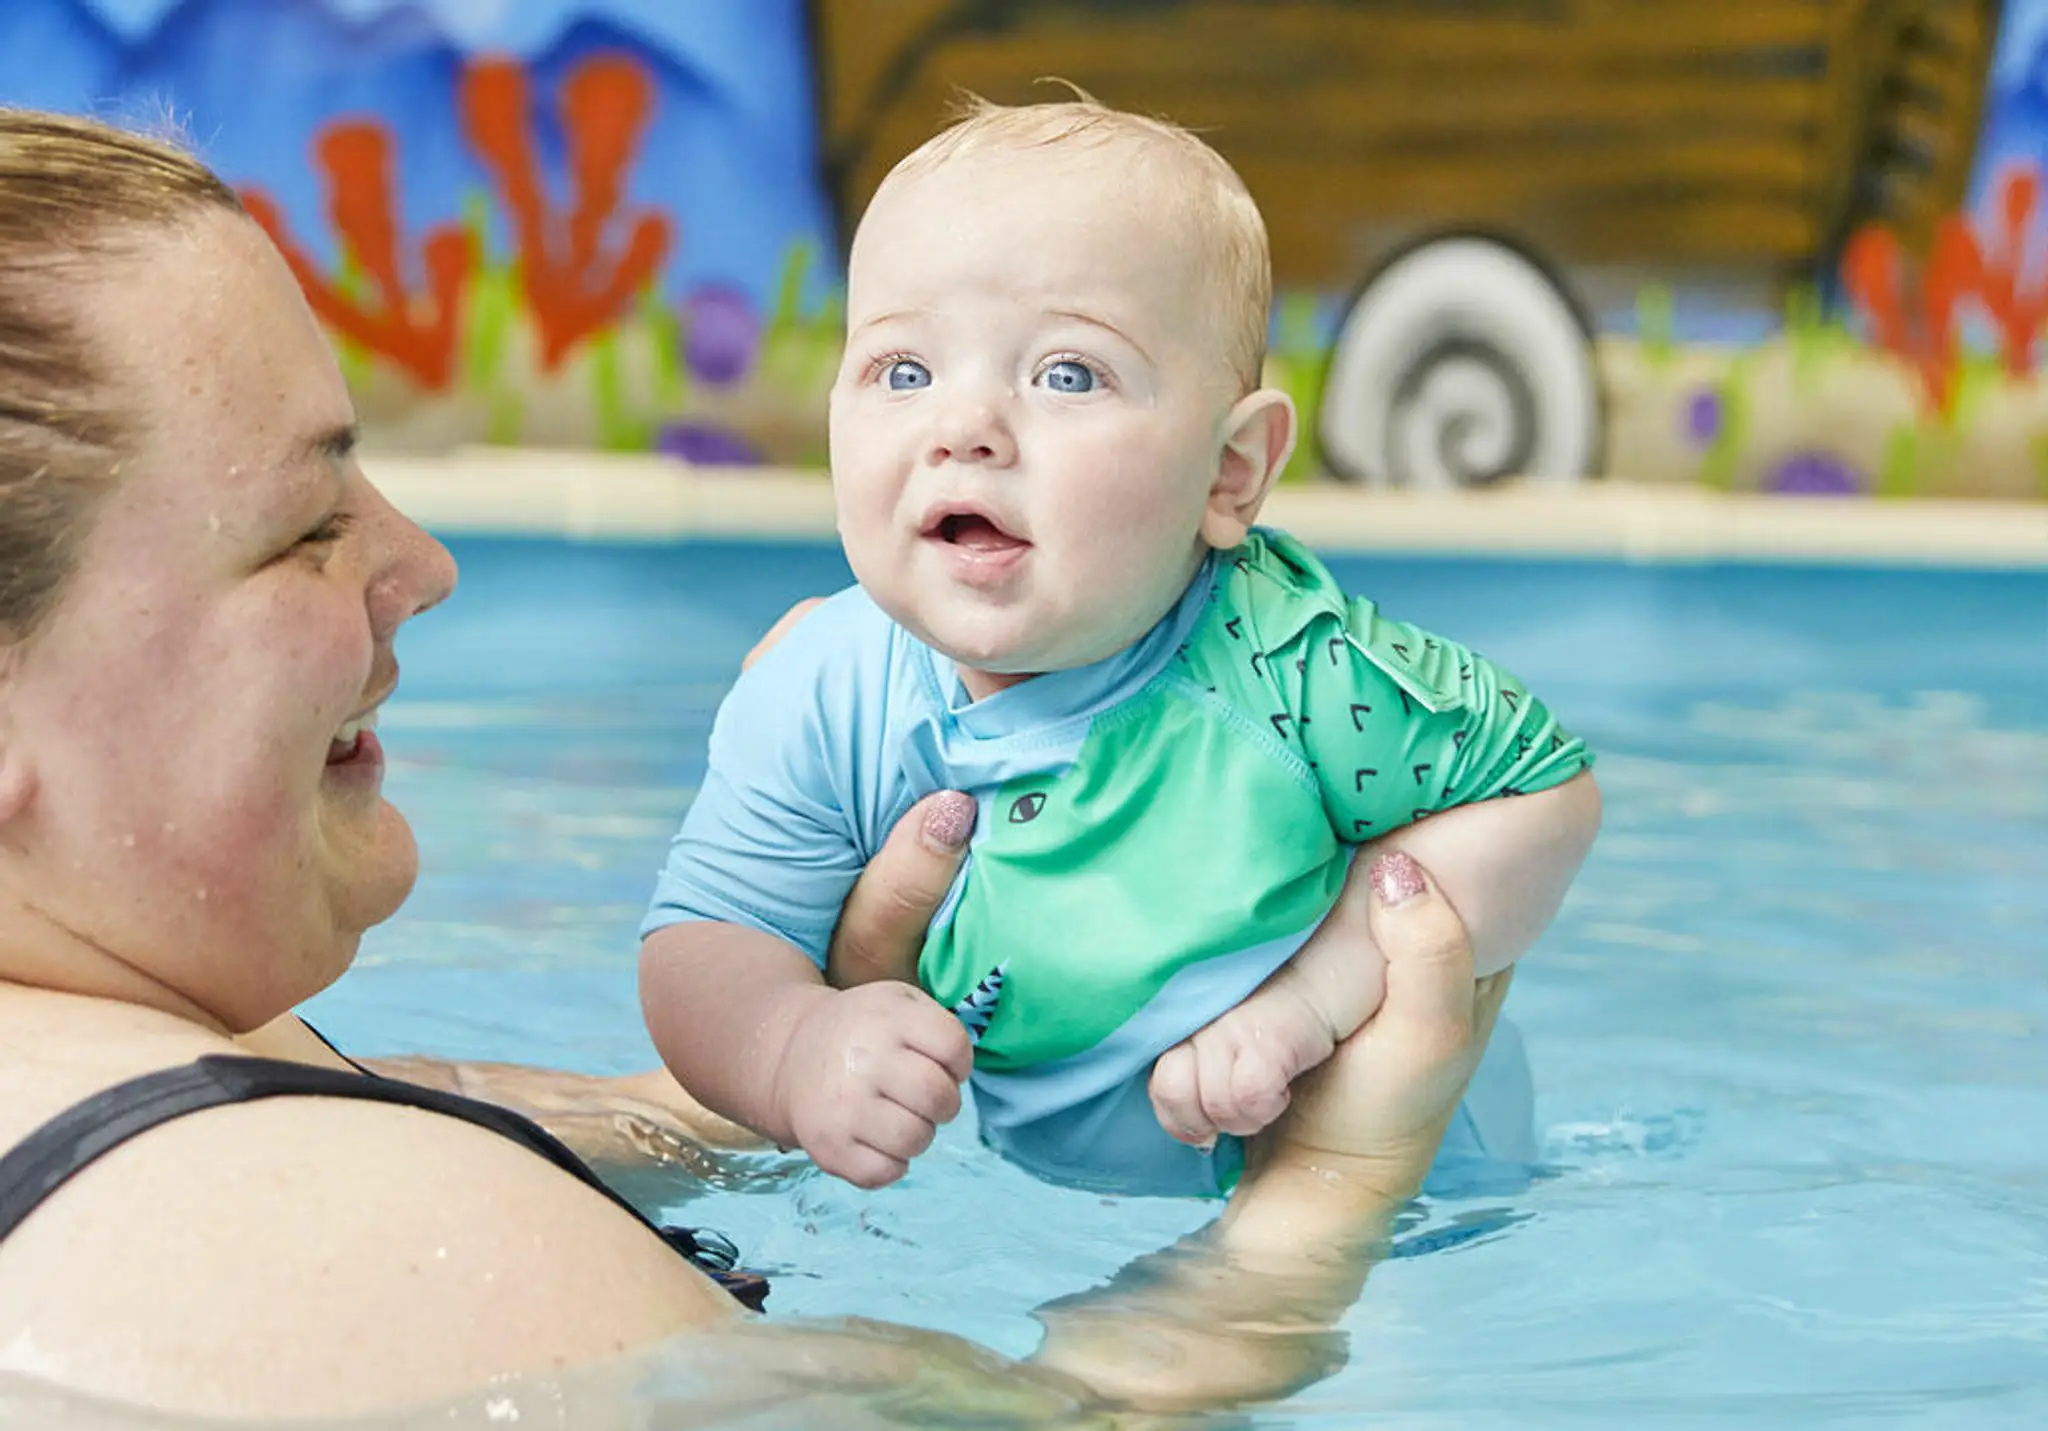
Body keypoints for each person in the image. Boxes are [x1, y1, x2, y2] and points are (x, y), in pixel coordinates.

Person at [0, 107, 1511, 1421]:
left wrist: (775, 1067)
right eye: (304, 530)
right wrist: (1322, 1204)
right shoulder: (367, 1254)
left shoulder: (142, 1074)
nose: (424, 561)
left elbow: (436, 1093)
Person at [639, 97, 1603, 1196]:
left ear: (1228, 473)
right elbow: (706, 943)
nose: (963, 426)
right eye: (902, 371)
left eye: (1065, 374)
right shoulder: (820, 693)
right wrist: (791, 1049)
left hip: (1419, 1197)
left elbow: (1544, 795)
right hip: (1061, 1212)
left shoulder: (1289, 669)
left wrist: (1312, 998)